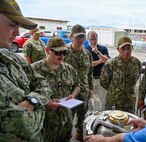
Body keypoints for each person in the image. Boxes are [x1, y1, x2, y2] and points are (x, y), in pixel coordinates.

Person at [0, 0, 52, 141]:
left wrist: (31, 102)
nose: (17, 32)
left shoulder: (10, 57)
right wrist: (41, 105)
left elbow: (43, 83)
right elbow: (22, 127)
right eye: (12, 24)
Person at [31, 37, 80, 142]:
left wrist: (73, 95)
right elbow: (25, 96)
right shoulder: (34, 70)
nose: (62, 56)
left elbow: (77, 85)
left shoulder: (69, 69)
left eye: (64, 53)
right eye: (58, 53)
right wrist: (45, 103)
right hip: (45, 125)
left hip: (66, 121)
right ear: (47, 51)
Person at [64, 24, 93, 141]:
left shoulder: (87, 54)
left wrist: (90, 88)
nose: (81, 40)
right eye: (78, 37)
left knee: (82, 117)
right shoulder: (63, 52)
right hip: (68, 93)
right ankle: (66, 136)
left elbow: (90, 72)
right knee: (67, 118)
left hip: (84, 91)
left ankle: (79, 134)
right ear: (71, 37)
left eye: (83, 37)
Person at [100, 36, 141, 113]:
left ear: (132, 48)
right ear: (118, 49)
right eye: (123, 49)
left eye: (129, 48)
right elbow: (103, 82)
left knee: (129, 123)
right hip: (114, 102)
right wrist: (115, 91)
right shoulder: (111, 64)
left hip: (129, 102)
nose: (126, 51)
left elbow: (136, 78)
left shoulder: (137, 63)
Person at [85, 31, 110, 111]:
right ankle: (92, 118)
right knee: (91, 101)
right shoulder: (85, 50)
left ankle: (102, 117)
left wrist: (97, 53)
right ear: (88, 39)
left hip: (101, 79)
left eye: (94, 39)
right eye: (91, 39)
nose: (93, 41)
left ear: (97, 39)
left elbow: (106, 61)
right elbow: (89, 64)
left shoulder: (103, 48)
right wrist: (100, 61)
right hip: (90, 79)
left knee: (103, 100)